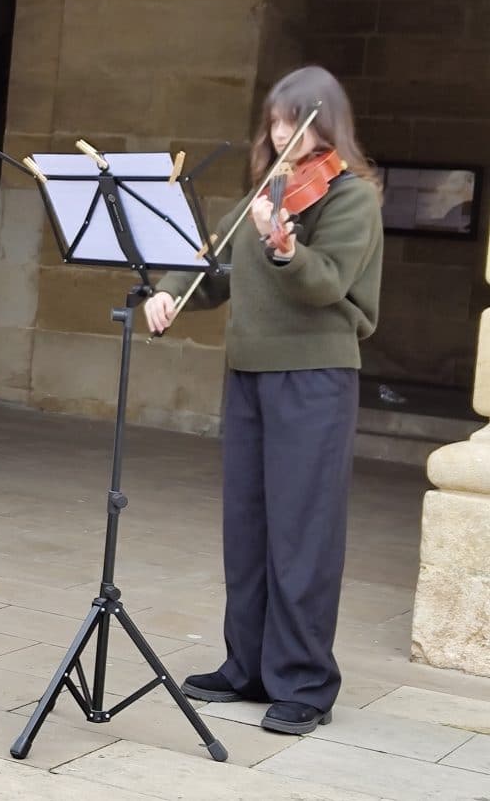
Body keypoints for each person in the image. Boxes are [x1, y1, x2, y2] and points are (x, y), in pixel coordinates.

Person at [142, 66, 383, 736]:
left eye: (294, 120)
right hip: (248, 375)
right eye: (275, 121)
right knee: (247, 528)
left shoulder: (351, 199)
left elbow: (327, 283)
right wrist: (168, 291)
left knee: (303, 532)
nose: (282, 133)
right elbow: (210, 266)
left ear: (325, 122)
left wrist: (285, 250)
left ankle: (305, 681)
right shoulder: (264, 192)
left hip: (314, 378)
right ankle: (246, 665)